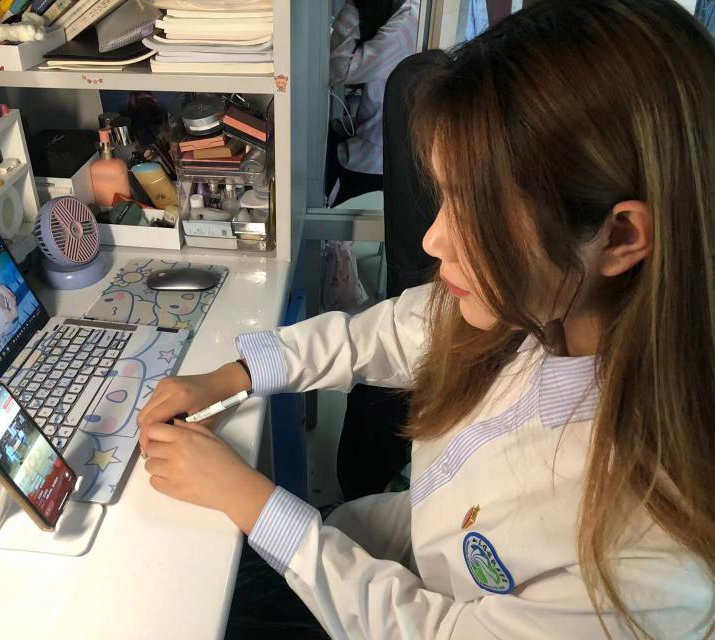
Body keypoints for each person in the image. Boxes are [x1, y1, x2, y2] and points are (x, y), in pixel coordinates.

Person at [137, 1, 714, 637]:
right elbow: (389, 332)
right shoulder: (542, 313)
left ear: (621, 236)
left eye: (477, 211)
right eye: (446, 198)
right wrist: (235, 376)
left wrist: (250, 499)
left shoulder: (647, 565)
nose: (434, 239)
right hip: (388, 554)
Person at [327, 0, 419, 205]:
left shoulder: (406, 24)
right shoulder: (414, 14)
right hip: (379, 145)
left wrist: (353, 6)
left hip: (370, 159)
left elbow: (335, 70)